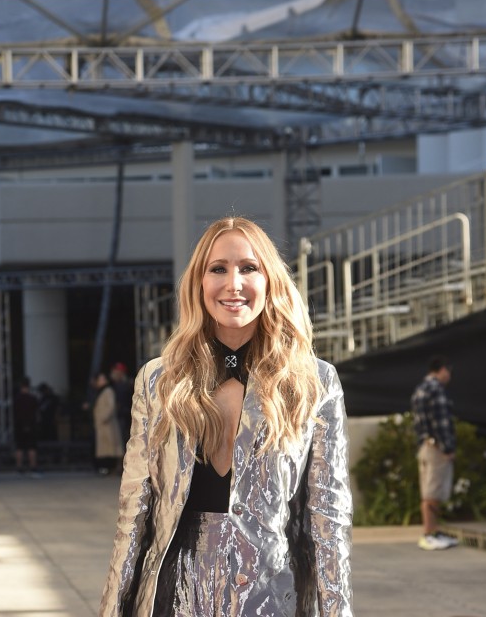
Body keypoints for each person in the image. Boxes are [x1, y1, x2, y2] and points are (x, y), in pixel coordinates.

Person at [100, 216, 353, 617]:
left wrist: (337, 611)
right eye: (218, 268)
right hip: (175, 594)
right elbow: (133, 512)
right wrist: (113, 608)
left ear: (269, 280)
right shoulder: (158, 381)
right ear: (198, 283)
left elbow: (328, 517)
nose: (233, 283)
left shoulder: (314, 382)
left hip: (272, 596)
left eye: (248, 268)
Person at [411, 355, 459, 551]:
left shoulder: (420, 390)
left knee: (429, 490)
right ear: (442, 370)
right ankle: (429, 534)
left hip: (425, 445)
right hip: (437, 448)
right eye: (449, 371)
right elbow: (441, 422)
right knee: (433, 492)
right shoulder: (436, 390)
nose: (449, 376)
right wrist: (448, 448)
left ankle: (433, 532)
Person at [92, 371, 125, 476]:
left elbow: (110, 407)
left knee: (111, 447)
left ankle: (110, 468)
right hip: (103, 423)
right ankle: (107, 468)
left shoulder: (108, 391)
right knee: (107, 447)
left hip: (107, 423)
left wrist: (103, 418)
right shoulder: (101, 391)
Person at [14, 377, 40, 476]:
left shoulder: (17, 399)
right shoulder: (33, 399)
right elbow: (36, 411)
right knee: (32, 447)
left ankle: (19, 466)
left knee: (19, 447)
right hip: (31, 424)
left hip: (19, 425)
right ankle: (33, 466)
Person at [109, 362, 134, 445]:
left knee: (122, 440)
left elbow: (122, 401)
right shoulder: (118, 384)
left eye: (115, 372)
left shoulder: (124, 385)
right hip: (123, 414)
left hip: (123, 415)